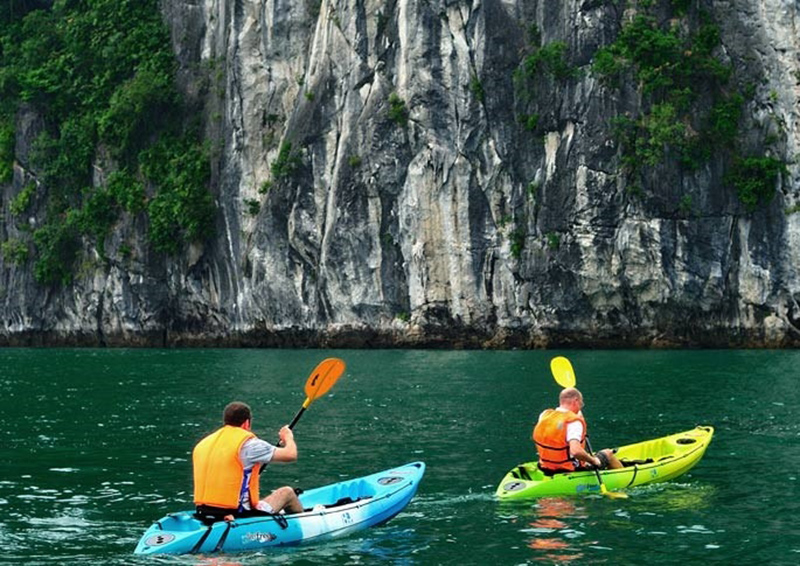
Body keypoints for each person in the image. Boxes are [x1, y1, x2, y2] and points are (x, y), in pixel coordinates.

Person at [193, 401, 303, 521]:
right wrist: (288, 437)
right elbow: (291, 454)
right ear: (246, 423)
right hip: (237, 513)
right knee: (287, 493)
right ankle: (303, 521)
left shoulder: (203, 444)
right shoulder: (250, 445)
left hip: (203, 511)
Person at [532, 387, 622, 474]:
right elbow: (576, 451)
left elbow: (567, 417)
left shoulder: (545, 415)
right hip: (569, 469)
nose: (581, 407)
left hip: (545, 466)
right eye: (581, 404)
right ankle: (623, 477)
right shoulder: (573, 422)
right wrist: (593, 460)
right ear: (576, 401)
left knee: (586, 457)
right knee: (608, 453)